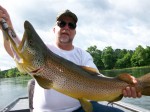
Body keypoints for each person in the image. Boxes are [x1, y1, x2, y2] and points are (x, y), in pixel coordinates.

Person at [0, 5, 142, 112]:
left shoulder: (83, 55)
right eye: (61, 23)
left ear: (74, 31)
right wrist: (7, 25)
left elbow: (99, 78)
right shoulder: (44, 50)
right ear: (54, 29)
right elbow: (14, 48)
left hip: (79, 108)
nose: (66, 27)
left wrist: (126, 85)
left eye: (71, 25)